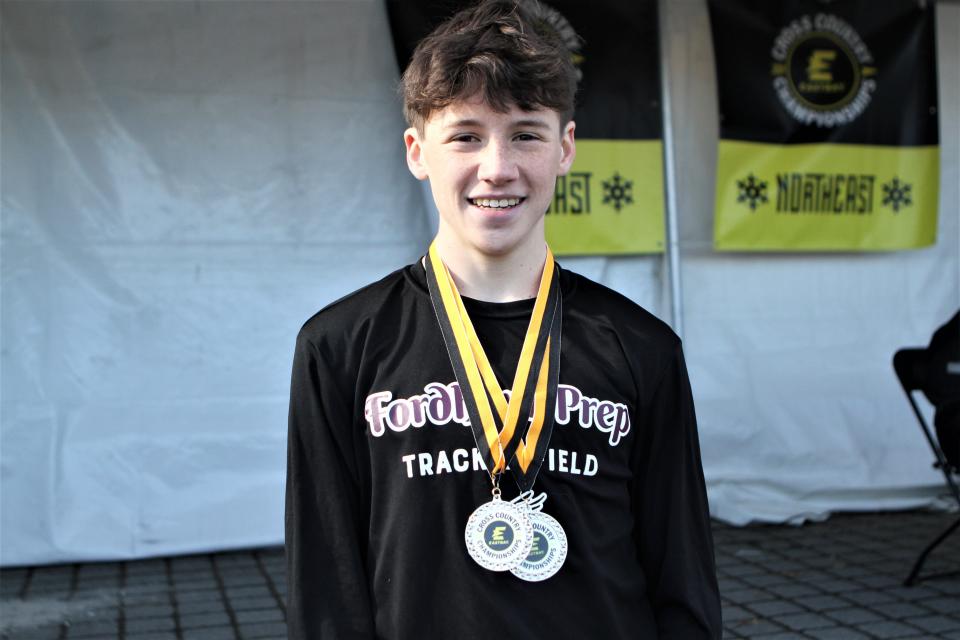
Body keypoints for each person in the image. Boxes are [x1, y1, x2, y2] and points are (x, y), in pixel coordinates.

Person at [285, 1, 721, 637]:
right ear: (416, 151)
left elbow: (682, 576)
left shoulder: (640, 347)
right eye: (465, 135)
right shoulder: (340, 347)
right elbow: (327, 587)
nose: (497, 166)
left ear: (565, 149)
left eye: (526, 133)